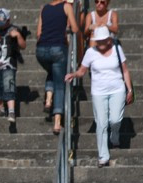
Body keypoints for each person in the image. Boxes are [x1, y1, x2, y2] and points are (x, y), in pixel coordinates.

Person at [65, 27, 131, 167]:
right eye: (98, 41)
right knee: (101, 123)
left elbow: (125, 70)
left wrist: (129, 89)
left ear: (109, 40)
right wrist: (74, 74)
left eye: (103, 40)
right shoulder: (90, 52)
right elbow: (82, 71)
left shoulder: (117, 49)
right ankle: (103, 155)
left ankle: (115, 136)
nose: (100, 43)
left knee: (115, 119)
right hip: (98, 92)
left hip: (117, 89)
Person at [35, 0, 78, 135]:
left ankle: (48, 99)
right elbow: (75, 29)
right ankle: (57, 121)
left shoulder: (44, 8)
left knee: (52, 71)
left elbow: (38, 34)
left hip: (41, 50)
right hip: (58, 48)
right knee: (60, 84)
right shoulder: (66, 7)